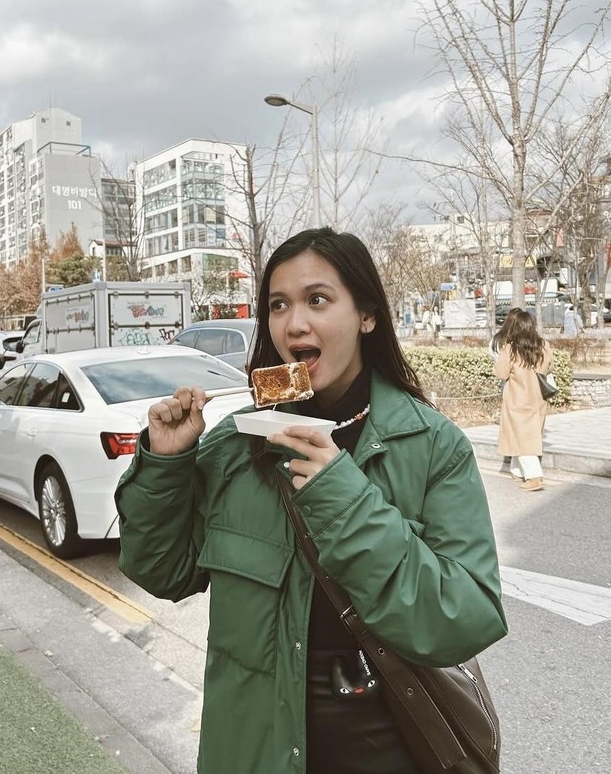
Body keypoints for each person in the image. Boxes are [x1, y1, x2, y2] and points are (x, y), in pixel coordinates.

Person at [116, 228, 507, 774]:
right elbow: (160, 570)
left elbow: (464, 620)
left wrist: (342, 495)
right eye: (278, 305)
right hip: (254, 750)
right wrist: (167, 462)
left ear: (366, 315)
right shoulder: (236, 447)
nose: (294, 323)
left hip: (390, 746)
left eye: (317, 300)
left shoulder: (432, 445)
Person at [493, 307, 553, 492]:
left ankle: (534, 477)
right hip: (538, 399)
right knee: (529, 434)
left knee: (521, 436)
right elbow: (548, 367)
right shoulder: (543, 345)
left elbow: (501, 373)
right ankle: (518, 471)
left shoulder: (510, 348)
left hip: (518, 399)